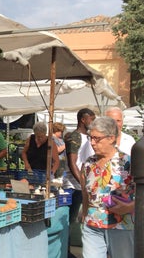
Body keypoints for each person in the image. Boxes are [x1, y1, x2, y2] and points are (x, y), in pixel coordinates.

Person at [80, 117, 135, 258]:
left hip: (121, 225)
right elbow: (85, 192)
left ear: (111, 138)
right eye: (90, 138)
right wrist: (85, 215)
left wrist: (131, 207)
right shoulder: (88, 164)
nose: (92, 143)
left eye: (97, 139)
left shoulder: (128, 162)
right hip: (92, 225)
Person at [63, 108, 95, 256]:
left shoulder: (88, 137)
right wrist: (82, 184)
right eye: (91, 119)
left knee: (77, 221)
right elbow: (72, 162)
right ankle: (67, 252)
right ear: (83, 119)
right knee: (70, 221)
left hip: (83, 186)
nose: (93, 122)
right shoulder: (75, 136)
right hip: (74, 187)